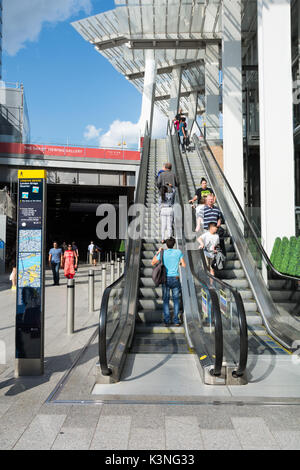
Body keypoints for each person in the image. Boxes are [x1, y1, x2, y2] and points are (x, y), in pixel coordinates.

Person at [151, 237, 186, 326]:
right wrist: (178, 263)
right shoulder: (178, 252)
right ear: (174, 244)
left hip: (165, 279)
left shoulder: (163, 253)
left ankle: (167, 320)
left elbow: (153, 262)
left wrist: (158, 252)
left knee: (166, 300)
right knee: (176, 300)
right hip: (175, 278)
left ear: (166, 244)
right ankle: (176, 320)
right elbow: (184, 264)